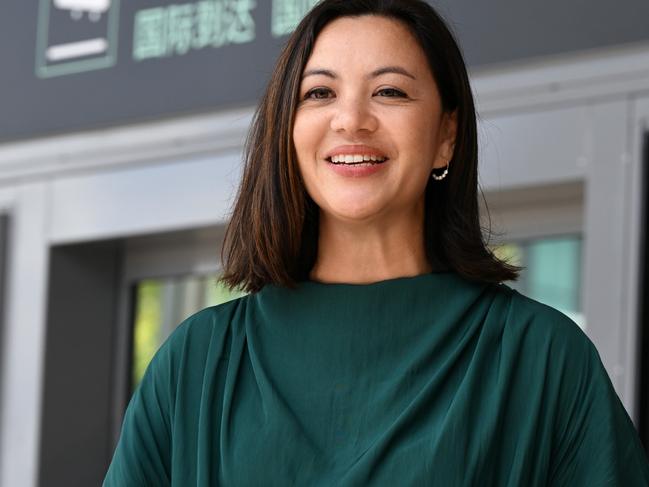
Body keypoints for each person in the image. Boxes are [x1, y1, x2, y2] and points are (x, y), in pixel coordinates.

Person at [103, 0, 649, 485]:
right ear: (286, 132)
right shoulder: (197, 363)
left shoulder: (541, 356)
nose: (351, 120)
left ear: (445, 137)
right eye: (319, 93)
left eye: (389, 91)